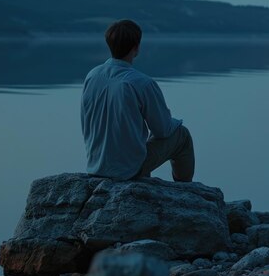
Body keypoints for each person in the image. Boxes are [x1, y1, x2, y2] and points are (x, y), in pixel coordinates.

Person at [80, 19, 194, 182]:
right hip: (126, 170)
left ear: (109, 44)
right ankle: (186, 190)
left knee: (132, 135)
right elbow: (162, 130)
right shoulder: (141, 83)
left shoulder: (92, 76)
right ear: (136, 47)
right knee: (182, 135)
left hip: (95, 166)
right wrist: (174, 122)